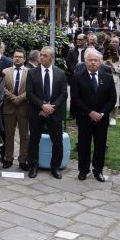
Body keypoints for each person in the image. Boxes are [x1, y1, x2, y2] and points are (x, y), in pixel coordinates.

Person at [71, 49, 117, 182]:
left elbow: (112, 99)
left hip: (102, 120)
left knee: (100, 146)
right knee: (84, 146)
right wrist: (90, 112)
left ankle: (98, 171)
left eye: (95, 60)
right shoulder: (78, 77)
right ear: (85, 62)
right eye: (90, 60)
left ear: (100, 62)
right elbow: (76, 98)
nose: (92, 62)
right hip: (84, 118)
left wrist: (102, 113)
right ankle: (83, 170)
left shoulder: (107, 77)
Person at [25, 47, 68, 179]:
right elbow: (30, 93)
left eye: (44, 55)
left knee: (57, 141)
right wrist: (42, 106)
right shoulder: (32, 72)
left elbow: (63, 93)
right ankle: (33, 166)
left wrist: (51, 108)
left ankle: (55, 167)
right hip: (37, 112)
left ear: (52, 57)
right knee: (34, 140)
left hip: (54, 113)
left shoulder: (60, 73)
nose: (41, 57)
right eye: (41, 55)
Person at [2, 48, 29, 170]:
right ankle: (8, 158)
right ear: (12, 58)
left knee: (24, 136)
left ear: (24, 59)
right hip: (9, 107)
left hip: (23, 108)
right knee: (9, 135)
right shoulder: (5, 71)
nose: (17, 58)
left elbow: (31, 89)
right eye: (15, 56)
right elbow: (1, 87)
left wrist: (20, 98)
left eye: (20, 57)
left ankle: (23, 160)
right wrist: (12, 97)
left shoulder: (30, 72)